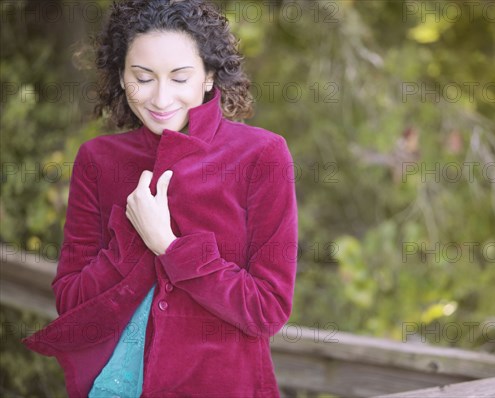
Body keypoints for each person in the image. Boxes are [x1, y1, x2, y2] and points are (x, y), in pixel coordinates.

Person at [22, 1, 298, 397]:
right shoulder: (98, 160)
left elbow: (266, 309)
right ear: (120, 76)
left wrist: (168, 246)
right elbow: (71, 300)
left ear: (207, 78)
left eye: (180, 78)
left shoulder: (262, 156)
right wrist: (131, 242)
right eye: (143, 77)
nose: (161, 98)